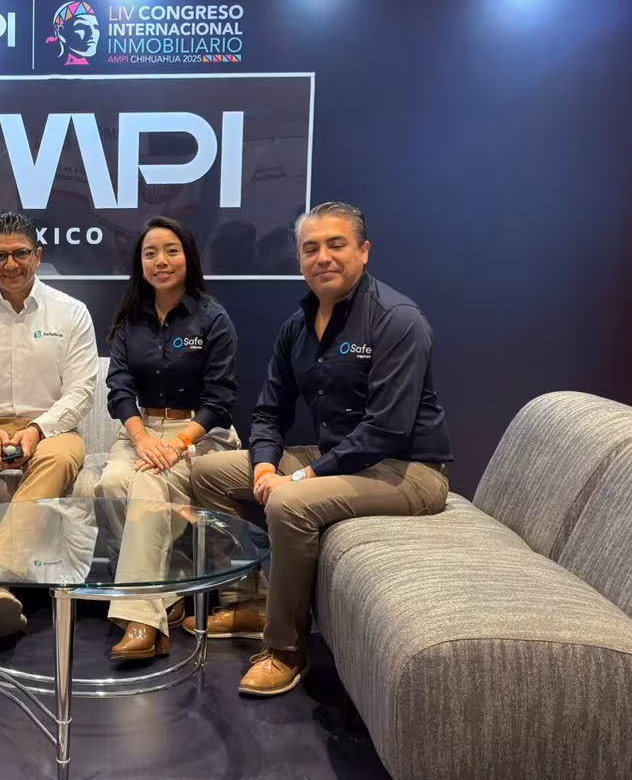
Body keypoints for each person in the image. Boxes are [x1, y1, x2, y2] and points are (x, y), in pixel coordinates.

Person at [190, 201, 452, 696]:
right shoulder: (298, 326)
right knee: (208, 472)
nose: (323, 257)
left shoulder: (398, 319)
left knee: (288, 502)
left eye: (336, 245)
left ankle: (286, 649)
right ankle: (252, 601)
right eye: (311, 248)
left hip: (407, 469)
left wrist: (301, 477)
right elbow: (269, 413)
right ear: (299, 258)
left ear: (364, 251)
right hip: (340, 456)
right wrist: (264, 465)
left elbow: (387, 430)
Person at [0, 210, 98, 634]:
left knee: (58, 460)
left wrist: (38, 429)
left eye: (21, 253)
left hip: (52, 427)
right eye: (0, 256)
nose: (11, 264)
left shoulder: (71, 312)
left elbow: (81, 390)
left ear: (38, 255)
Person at [96, 216, 240, 661]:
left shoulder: (212, 318)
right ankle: (169, 590)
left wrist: (176, 446)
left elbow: (221, 399)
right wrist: (142, 439)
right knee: (109, 484)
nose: (161, 260)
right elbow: (119, 388)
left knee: (145, 483)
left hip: (200, 433)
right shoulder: (130, 320)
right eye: (150, 253)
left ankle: (142, 619)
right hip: (143, 430)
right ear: (140, 264)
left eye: (171, 251)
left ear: (188, 257)